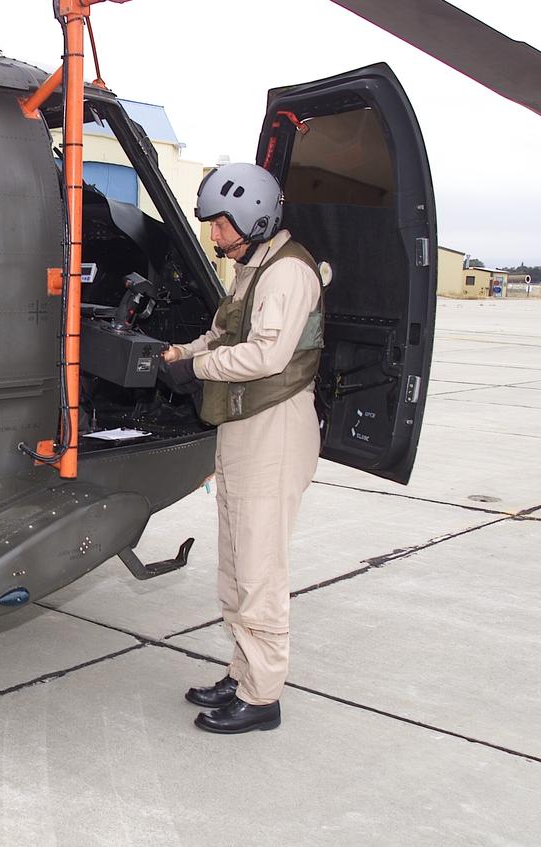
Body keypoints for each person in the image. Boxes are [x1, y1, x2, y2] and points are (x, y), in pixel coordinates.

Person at [161, 163, 323, 734]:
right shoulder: (252, 267)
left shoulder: (287, 273)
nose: (215, 236)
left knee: (259, 569)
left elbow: (266, 357)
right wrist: (181, 354)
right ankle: (242, 671)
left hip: (274, 429)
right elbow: (224, 335)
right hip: (243, 424)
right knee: (235, 564)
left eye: (222, 225)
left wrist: (199, 368)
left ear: (255, 215)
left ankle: (263, 697)